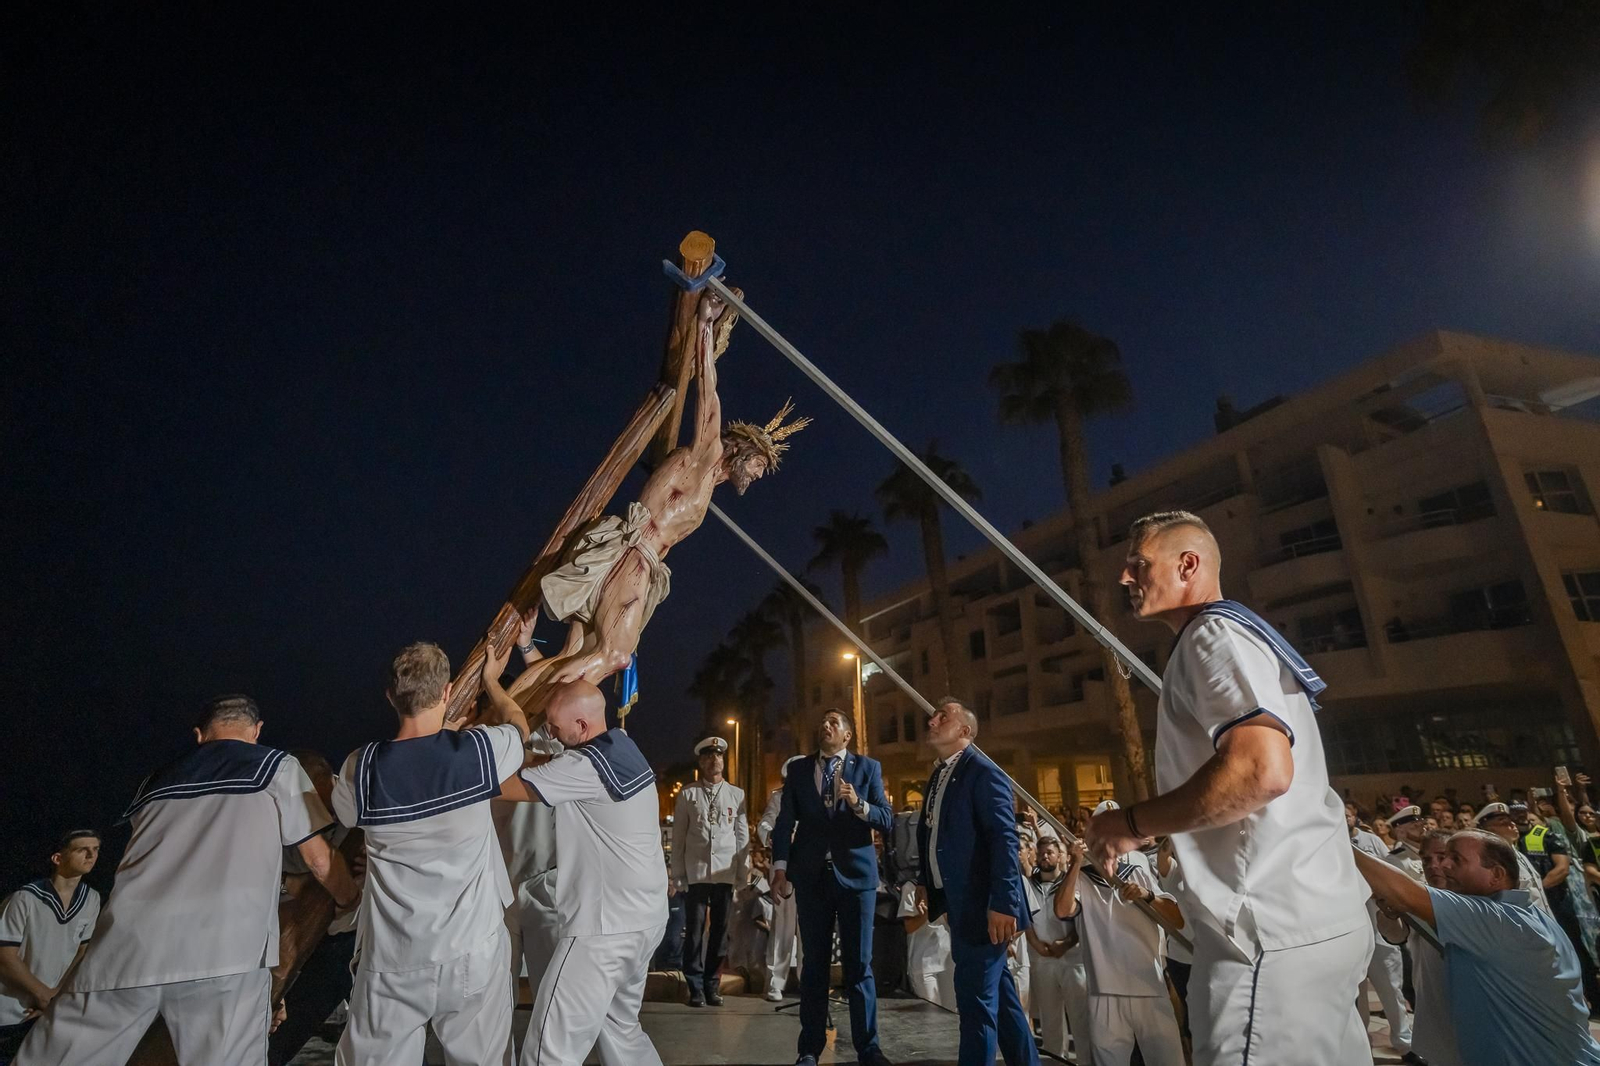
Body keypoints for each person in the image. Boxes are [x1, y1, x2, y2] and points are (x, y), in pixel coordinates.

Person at [1087, 511, 1371, 1065]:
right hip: (1316, 923)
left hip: (1266, 932)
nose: (1125, 578)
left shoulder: (1211, 635)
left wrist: (1131, 825)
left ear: (1187, 564)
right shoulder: (1238, 634)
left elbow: (1262, 770)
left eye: (1138, 564)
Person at [19, 696, 356, 1066]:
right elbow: (320, 861)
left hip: (124, 952)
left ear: (199, 735)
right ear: (257, 731)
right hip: (225, 956)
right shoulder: (276, 766)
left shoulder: (154, 782)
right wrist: (349, 899)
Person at [330, 638, 529, 1066]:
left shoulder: (359, 769)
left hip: (392, 958)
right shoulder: (478, 752)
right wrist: (493, 684)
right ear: (446, 692)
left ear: (390, 697)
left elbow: (344, 816)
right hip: (472, 949)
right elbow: (518, 727)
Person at [497, 679, 668, 1066]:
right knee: (621, 1031)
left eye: (556, 729)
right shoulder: (623, 747)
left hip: (602, 930)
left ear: (582, 726)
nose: (550, 734)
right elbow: (559, 726)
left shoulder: (583, 766)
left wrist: (444, 772)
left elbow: (504, 787)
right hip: (643, 922)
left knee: (548, 1049)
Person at [1352, 829, 1600, 1066]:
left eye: (1456, 860)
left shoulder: (1497, 920)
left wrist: (1335, 837)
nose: (1443, 865)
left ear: (1496, 874)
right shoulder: (1526, 914)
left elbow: (1401, 891)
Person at [770, 708, 895, 1066]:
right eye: (822, 721)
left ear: (847, 735)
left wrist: (859, 803)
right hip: (811, 878)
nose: (825, 726)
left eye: (834, 723)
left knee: (859, 965)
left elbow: (885, 819)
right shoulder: (798, 770)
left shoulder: (867, 769)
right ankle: (809, 1049)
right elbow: (784, 823)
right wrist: (781, 867)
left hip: (856, 879)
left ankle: (868, 1048)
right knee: (814, 966)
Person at [917, 697, 1038, 1066]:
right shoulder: (939, 774)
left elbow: (1004, 839)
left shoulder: (985, 772)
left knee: (974, 1005)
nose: (932, 719)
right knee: (999, 1001)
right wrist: (928, 882)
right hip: (959, 904)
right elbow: (934, 837)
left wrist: (1003, 903)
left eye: (944, 716)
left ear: (965, 731)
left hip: (985, 909)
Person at [1055, 835, 1185, 1066]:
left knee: (1168, 1060)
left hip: (1149, 986)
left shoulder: (1137, 873)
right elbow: (1063, 910)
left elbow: (1176, 919)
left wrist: (1147, 895)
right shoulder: (1082, 879)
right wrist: (1074, 863)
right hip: (1105, 991)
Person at [269, 750, 363, 1066]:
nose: (327, 813)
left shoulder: (357, 800)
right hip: (328, 936)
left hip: (354, 936)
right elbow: (298, 862)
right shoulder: (295, 818)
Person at [0, 832, 101, 1066]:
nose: (91, 855)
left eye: (95, 849)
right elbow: (5, 956)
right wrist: (44, 995)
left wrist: (57, 996)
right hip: (9, 1010)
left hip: (45, 1009)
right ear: (58, 858)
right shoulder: (25, 898)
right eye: (82, 849)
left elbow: (81, 952)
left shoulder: (91, 899)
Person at [672, 735, 750, 1007]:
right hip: (697, 871)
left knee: (719, 931)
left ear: (723, 761)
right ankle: (694, 985)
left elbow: (742, 836)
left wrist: (743, 873)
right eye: (708, 756)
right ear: (701, 762)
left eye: (717, 756)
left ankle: (712, 984)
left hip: (725, 872)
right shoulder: (688, 793)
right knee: (693, 930)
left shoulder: (736, 794)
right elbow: (679, 836)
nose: (713, 760)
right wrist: (678, 874)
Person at [1377, 830, 1461, 1066]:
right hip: (1433, 1001)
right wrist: (1389, 914)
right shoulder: (1418, 896)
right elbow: (1396, 936)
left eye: (1441, 856)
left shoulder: (1477, 897)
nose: (1433, 865)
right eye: (1426, 860)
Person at [1350, 806, 1413, 1056]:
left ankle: (1404, 1042)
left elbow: (1388, 874)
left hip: (1377, 925)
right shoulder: (1326, 842)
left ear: (1355, 814)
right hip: (1351, 929)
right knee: (1356, 992)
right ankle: (1362, 1043)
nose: (1343, 818)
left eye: (1348, 813)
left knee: (1390, 987)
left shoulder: (1371, 841)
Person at [1023, 834, 1088, 1064]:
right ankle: (1055, 1062)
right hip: (1043, 960)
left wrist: (1067, 943)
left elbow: (1083, 922)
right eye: (1041, 854)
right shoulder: (1029, 884)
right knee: (1050, 1023)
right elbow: (1026, 919)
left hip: (1072, 959)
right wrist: (1036, 944)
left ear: (1061, 856)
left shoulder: (1072, 882)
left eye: (1050, 853)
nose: (1045, 857)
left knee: (1080, 1020)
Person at [757, 756, 804, 1001]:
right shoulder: (779, 797)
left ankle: (809, 981)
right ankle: (776, 981)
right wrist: (772, 836)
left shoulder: (815, 796)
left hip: (809, 869)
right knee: (782, 928)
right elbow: (765, 823)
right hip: (783, 869)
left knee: (809, 929)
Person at [1472, 803, 1551, 912]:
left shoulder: (1518, 854)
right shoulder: (1493, 860)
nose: (1512, 824)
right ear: (1488, 829)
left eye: (1511, 820)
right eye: (1503, 822)